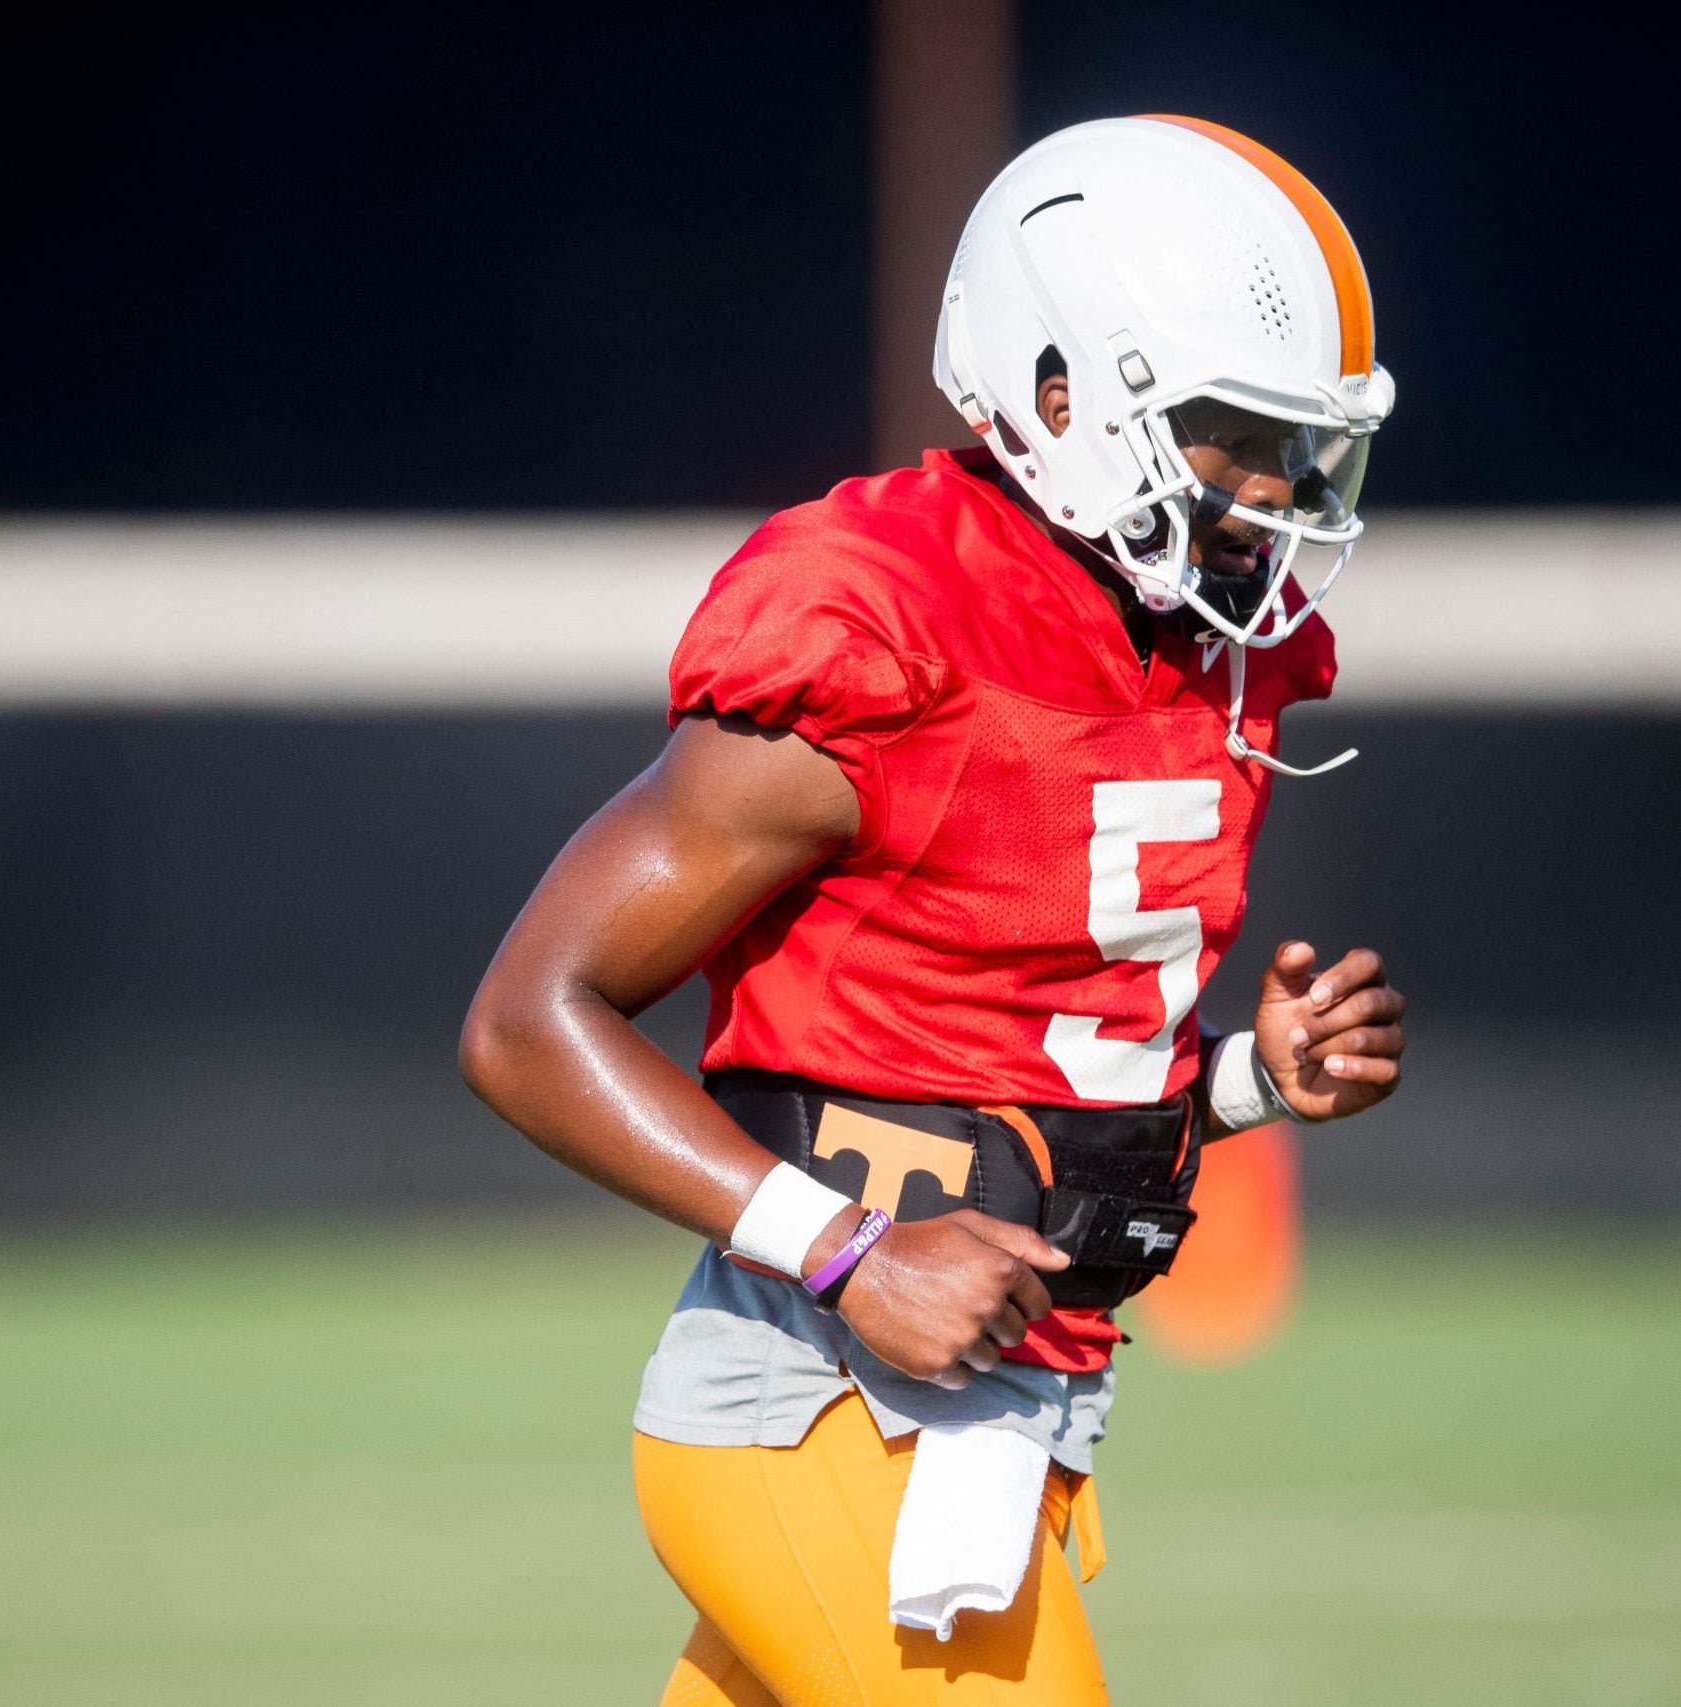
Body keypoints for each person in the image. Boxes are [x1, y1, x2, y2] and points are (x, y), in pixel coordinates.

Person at [462, 115, 1407, 1705]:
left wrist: (1250, 1078)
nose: (1275, 490)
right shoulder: (882, 628)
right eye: (1235, 429)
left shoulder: (1195, 649)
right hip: (825, 1406)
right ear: (1060, 392)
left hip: (999, 1409)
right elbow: (523, 1022)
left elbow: (1034, 1093)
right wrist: (846, 1254)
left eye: (1301, 443)